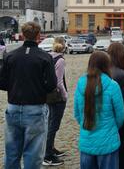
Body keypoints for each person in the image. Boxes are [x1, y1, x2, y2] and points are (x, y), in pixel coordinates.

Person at [0, 21, 57, 169]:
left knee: (11, 152)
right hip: (35, 109)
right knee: (33, 154)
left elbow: (2, 83)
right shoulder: (45, 58)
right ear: (39, 36)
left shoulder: (10, 56)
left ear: (22, 35)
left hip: (13, 107)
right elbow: (51, 85)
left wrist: (15, 86)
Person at [74, 51, 124, 169]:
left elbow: (77, 113)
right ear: (107, 65)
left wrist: (85, 123)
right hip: (108, 142)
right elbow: (120, 116)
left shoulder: (81, 84)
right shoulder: (113, 85)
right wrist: (110, 128)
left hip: (87, 140)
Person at [43, 37, 68, 166]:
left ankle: (50, 148)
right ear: (63, 46)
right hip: (57, 97)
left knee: (50, 123)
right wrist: (65, 95)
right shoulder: (60, 60)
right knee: (54, 125)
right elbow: (59, 82)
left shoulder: (49, 57)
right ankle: (47, 154)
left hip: (48, 96)